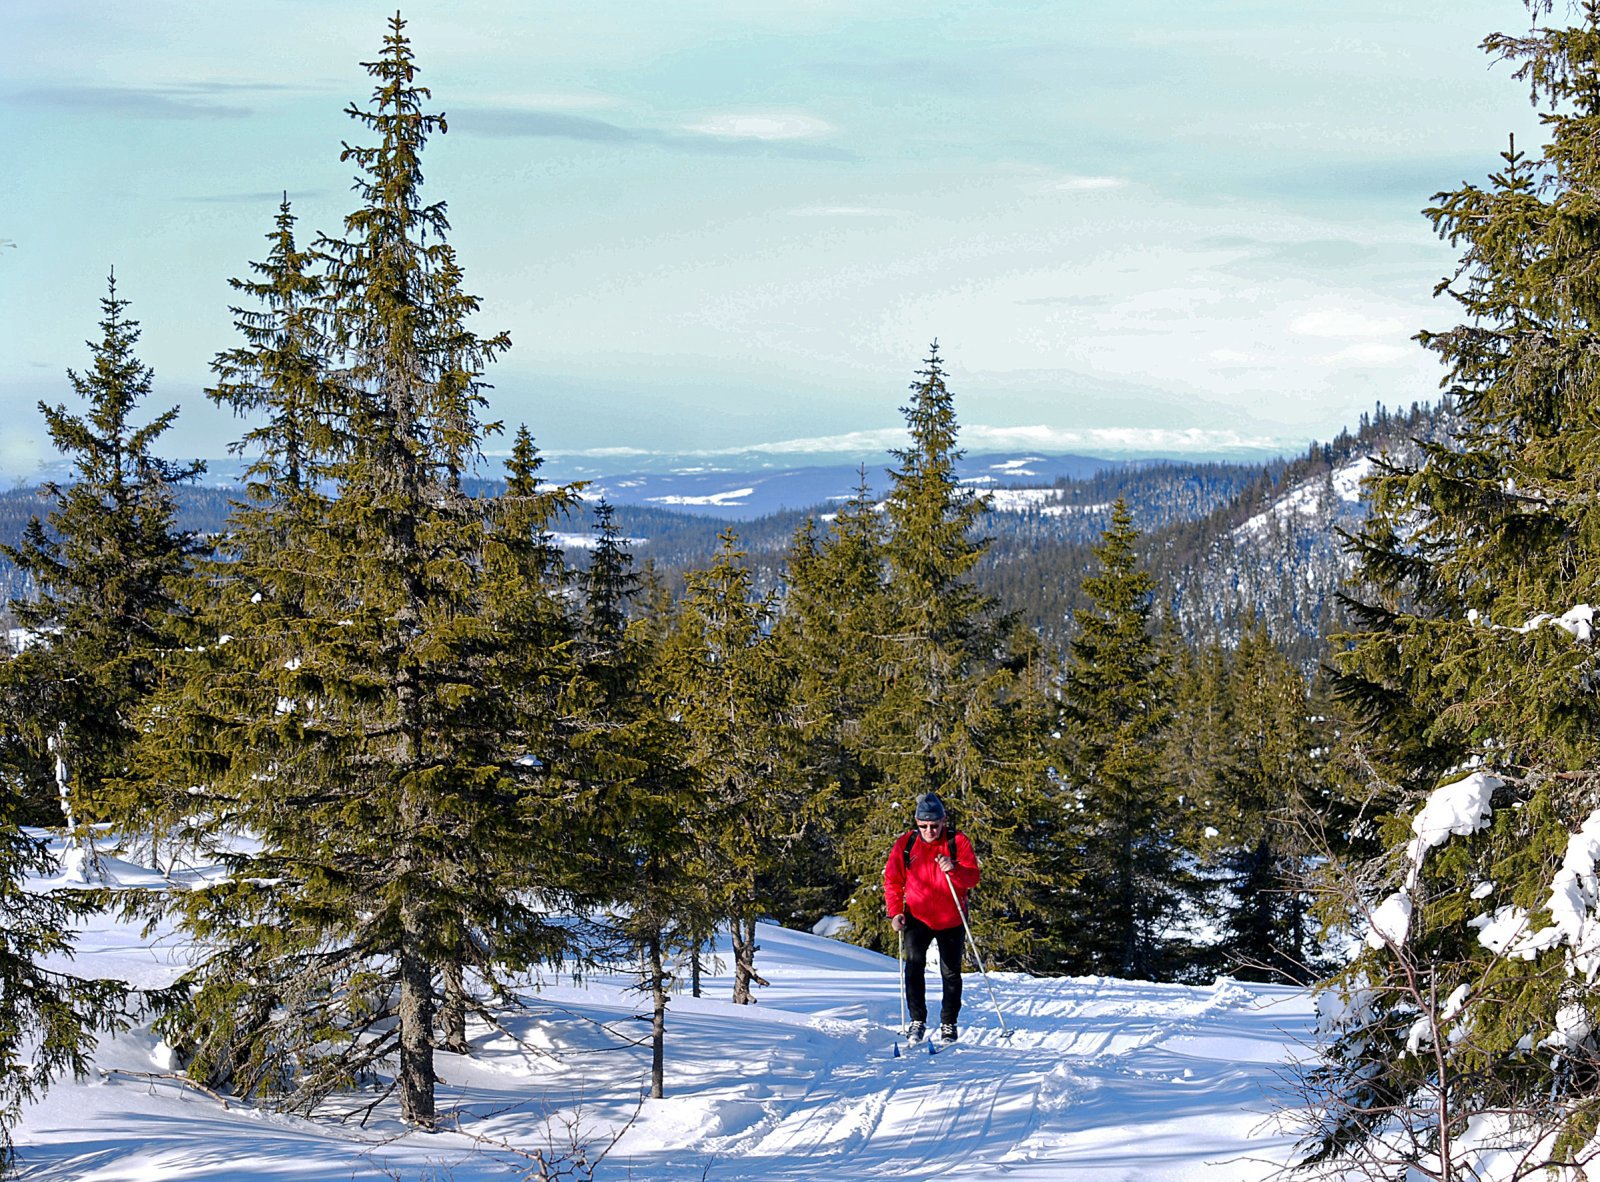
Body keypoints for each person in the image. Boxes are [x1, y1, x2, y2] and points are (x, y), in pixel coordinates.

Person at [883, 791, 980, 1042]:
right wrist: (895, 913)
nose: (929, 830)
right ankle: (917, 1020)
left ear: (943, 821)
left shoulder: (957, 842)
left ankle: (949, 1023)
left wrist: (954, 868)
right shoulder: (905, 844)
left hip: (951, 919)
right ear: (917, 823)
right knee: (914, 969)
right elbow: (893, 881)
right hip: (917, 917)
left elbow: (973, 878)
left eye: (934, 825)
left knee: (950, 973)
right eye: (923, 825)